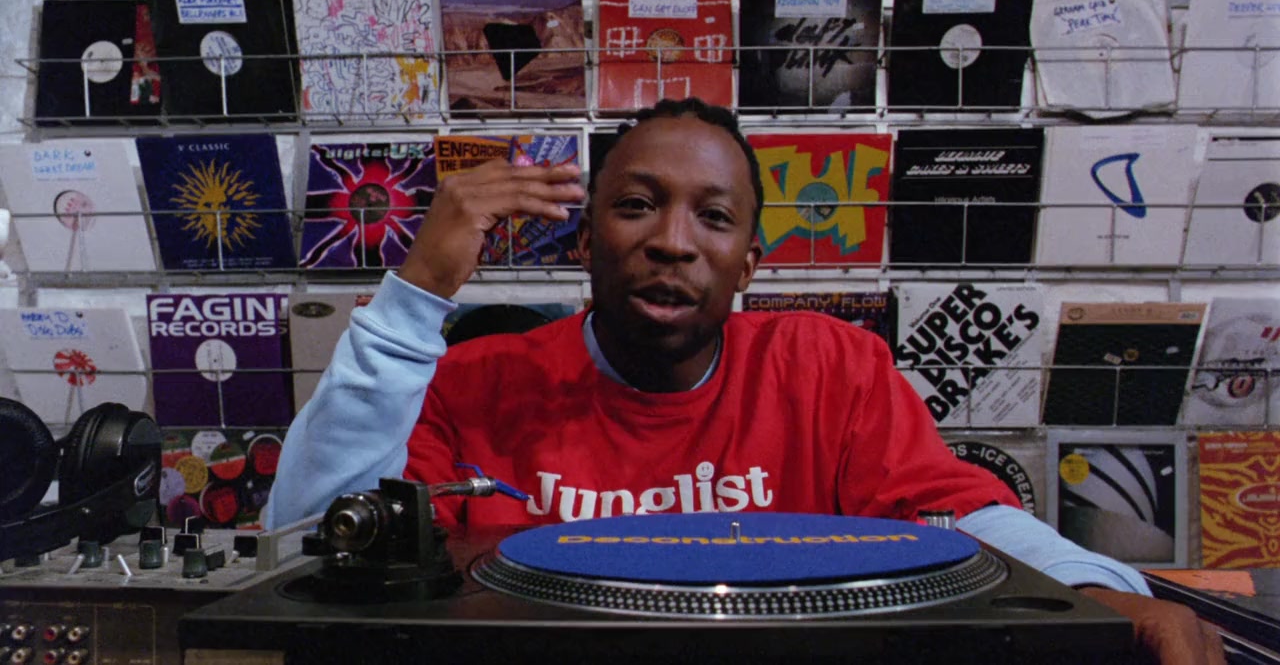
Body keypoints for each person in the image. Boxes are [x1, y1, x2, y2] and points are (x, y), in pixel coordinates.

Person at [268, 98, 1224, 665]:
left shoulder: (829, 366)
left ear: (750, 266)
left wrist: (1102, 588)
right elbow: (307, 549)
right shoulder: (475, 380)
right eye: (636, 206)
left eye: (714, 218)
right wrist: (416, 293)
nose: (672, 241)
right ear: (585, 242)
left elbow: (962, 513)